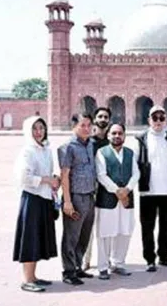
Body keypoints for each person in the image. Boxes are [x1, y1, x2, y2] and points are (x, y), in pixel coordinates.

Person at [13, 116, 59, 293]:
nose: (39, 132)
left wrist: (54, 180)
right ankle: (27, 280)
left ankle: (33, 277)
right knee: (30, 238)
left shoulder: (45, 149)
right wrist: (47, 180)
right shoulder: (28, 151)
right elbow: (24, 178)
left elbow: (48, 172)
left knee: (37, 238)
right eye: (35, 129)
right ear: (28, 131)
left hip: (44, 198)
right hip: (32, 199)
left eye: (41, 128)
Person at [135, 105, 167, 272]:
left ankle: (163, 256)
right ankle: (149, 259)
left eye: (161, 118)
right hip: (147, 190)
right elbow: (135, 165)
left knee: (165, 225)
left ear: (166, 120)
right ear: (149, 120)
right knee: (147, 226)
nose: (158, 121)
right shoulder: (141, 139)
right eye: (154, 118)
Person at [94, 123, 140, 280]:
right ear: (108, 135)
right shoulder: (102, 153)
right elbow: (101, 175)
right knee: (105, 233)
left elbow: (136, 174)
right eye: (113, 133)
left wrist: (127, 189)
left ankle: (118, 263)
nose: (117, 136)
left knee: (124, 231)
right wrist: (117, 190)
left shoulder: (130, 153)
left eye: (120, 133)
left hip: (127, 198)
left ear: (124, 135)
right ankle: (103, 266)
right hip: (107, 199)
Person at [58, 113, 97, 285]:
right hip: (75, 197)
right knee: (71, 236)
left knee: (84, 235)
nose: (87, 128)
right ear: (74, 126)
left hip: (89, 195)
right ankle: (68, 272)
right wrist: (67, 202)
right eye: (83, 125)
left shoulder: (91, 144)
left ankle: (77, 267)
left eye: (89, 125)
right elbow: (64, 175)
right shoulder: (68, 146)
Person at [83, 106, 111, 271]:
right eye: (100, 116)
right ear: (95, 119)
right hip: (92, 187)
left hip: (107, 188)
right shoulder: (88, 142)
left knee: (106, 225)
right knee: (88, 225)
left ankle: (106, 260)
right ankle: (85, 260)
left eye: (106, 117)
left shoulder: (111, 141)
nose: (103, 119)